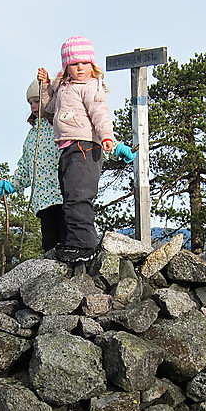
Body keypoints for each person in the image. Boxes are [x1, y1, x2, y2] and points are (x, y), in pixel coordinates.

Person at [37, 36, 135, 264]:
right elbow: (48, 106)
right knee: (71, 198)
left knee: (79, 197)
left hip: (86, 147)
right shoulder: (63, 87)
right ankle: (75, 242)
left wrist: (107, 136)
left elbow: (100, 113)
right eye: (74, 64)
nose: (80, 68)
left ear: (92, 65)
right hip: (69, 148)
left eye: (84, 63)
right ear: (66, 67)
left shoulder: (91, 87)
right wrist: (45, 85)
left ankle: (84, 245)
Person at [0, 79, 64, 252]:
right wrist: (11, 184)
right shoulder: (32, 136)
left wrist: (114, 149)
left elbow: (85, 142)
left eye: (37, 101)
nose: (33, 106)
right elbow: (25, 169)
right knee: (49, 246)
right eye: (30, 102)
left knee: (68, 244)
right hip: (42, 201)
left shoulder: (62, 125)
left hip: (64, 197)